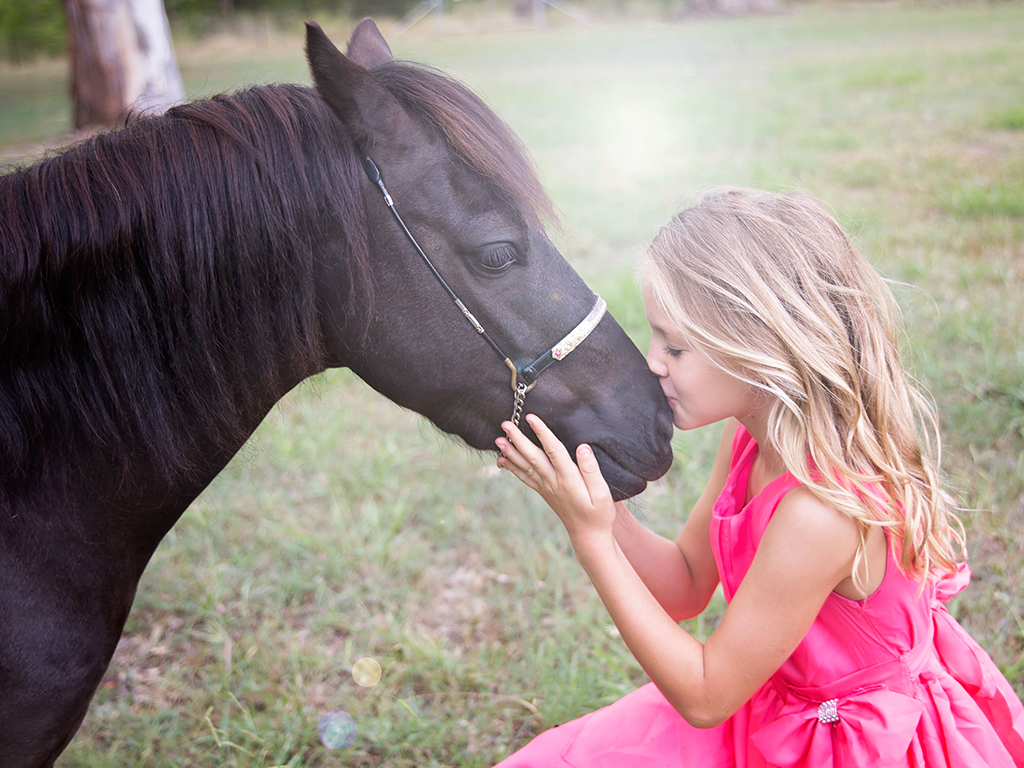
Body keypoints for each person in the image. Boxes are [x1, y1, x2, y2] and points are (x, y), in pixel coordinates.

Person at [493, 188, 1024, 767]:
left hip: (848, 744)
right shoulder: (749, 434)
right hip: (770, 702)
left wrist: (591, 539)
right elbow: (687, 586)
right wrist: (603, 509)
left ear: (759, 346)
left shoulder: (819, 512)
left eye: (675, 346)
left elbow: (705, 696)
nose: (652, 361)